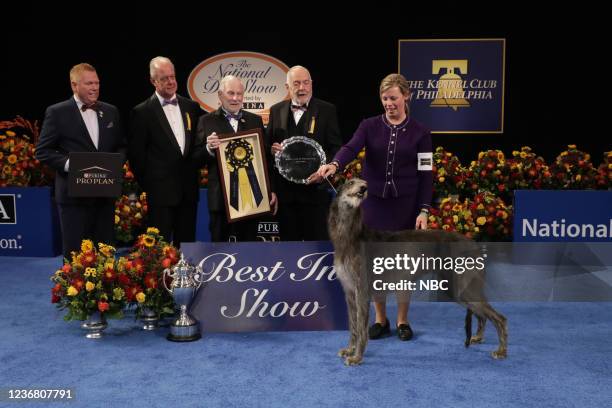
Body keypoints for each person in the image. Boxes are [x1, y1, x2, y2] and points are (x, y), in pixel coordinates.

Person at [317, 73, 433, 341]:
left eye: (393, 98)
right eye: (384, 99)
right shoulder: (369, 126)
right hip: (374, 207)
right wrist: (335, 165)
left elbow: (426, 174)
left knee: (404, 265)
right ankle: (381, 319)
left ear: (406, 96)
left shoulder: (421, 132)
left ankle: (403, 320)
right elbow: (350, 147)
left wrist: (424, 210)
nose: (389, 103)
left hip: (406, 206)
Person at [36, 63, 126, 259]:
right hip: (73, 199)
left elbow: (121, 145)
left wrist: (116, 163)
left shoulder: (111, 111)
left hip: (104, 196)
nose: (95, 87)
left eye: (97, 83)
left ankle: (105, 290)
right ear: (74, 85)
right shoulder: (57, 112)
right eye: (89, 83)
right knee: (75, 257)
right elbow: (43, 151)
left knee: (105, 255)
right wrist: (72, 166)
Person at [129, 56, 203, 247]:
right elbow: (137, 157)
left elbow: (196, 146)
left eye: (172, 76)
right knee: (159, 251)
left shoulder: (191, 107)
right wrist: (151, 186)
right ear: (153, 81)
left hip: (188, 192)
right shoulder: (142, 112)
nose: (171, 82)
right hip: (160, 194)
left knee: (187, 247)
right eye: (164, 78)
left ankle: (185, 278)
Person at [196, 75, 277, 241]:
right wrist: (208, 149)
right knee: (220, 254)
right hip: (220, 202)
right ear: (220, 95)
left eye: (239, 94)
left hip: (252, 202)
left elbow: (264, 160)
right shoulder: (205, 121)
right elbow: (195, 158)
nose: (235, 98)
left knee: (249, 253)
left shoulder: (255, 120)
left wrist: (270, 189)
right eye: (230, 93)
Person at [267, 65, 342, 241]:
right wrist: (271, 149)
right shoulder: (276, 110)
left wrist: (324, 171)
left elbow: (336, 147)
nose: (302, 88)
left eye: (306, 83)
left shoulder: (327, 110)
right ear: (287, 87)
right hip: (285, 197)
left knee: (316, 250)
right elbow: (266, 148)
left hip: (316, 194)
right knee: (289, 250)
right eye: (297, 83)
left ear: (312, 84)